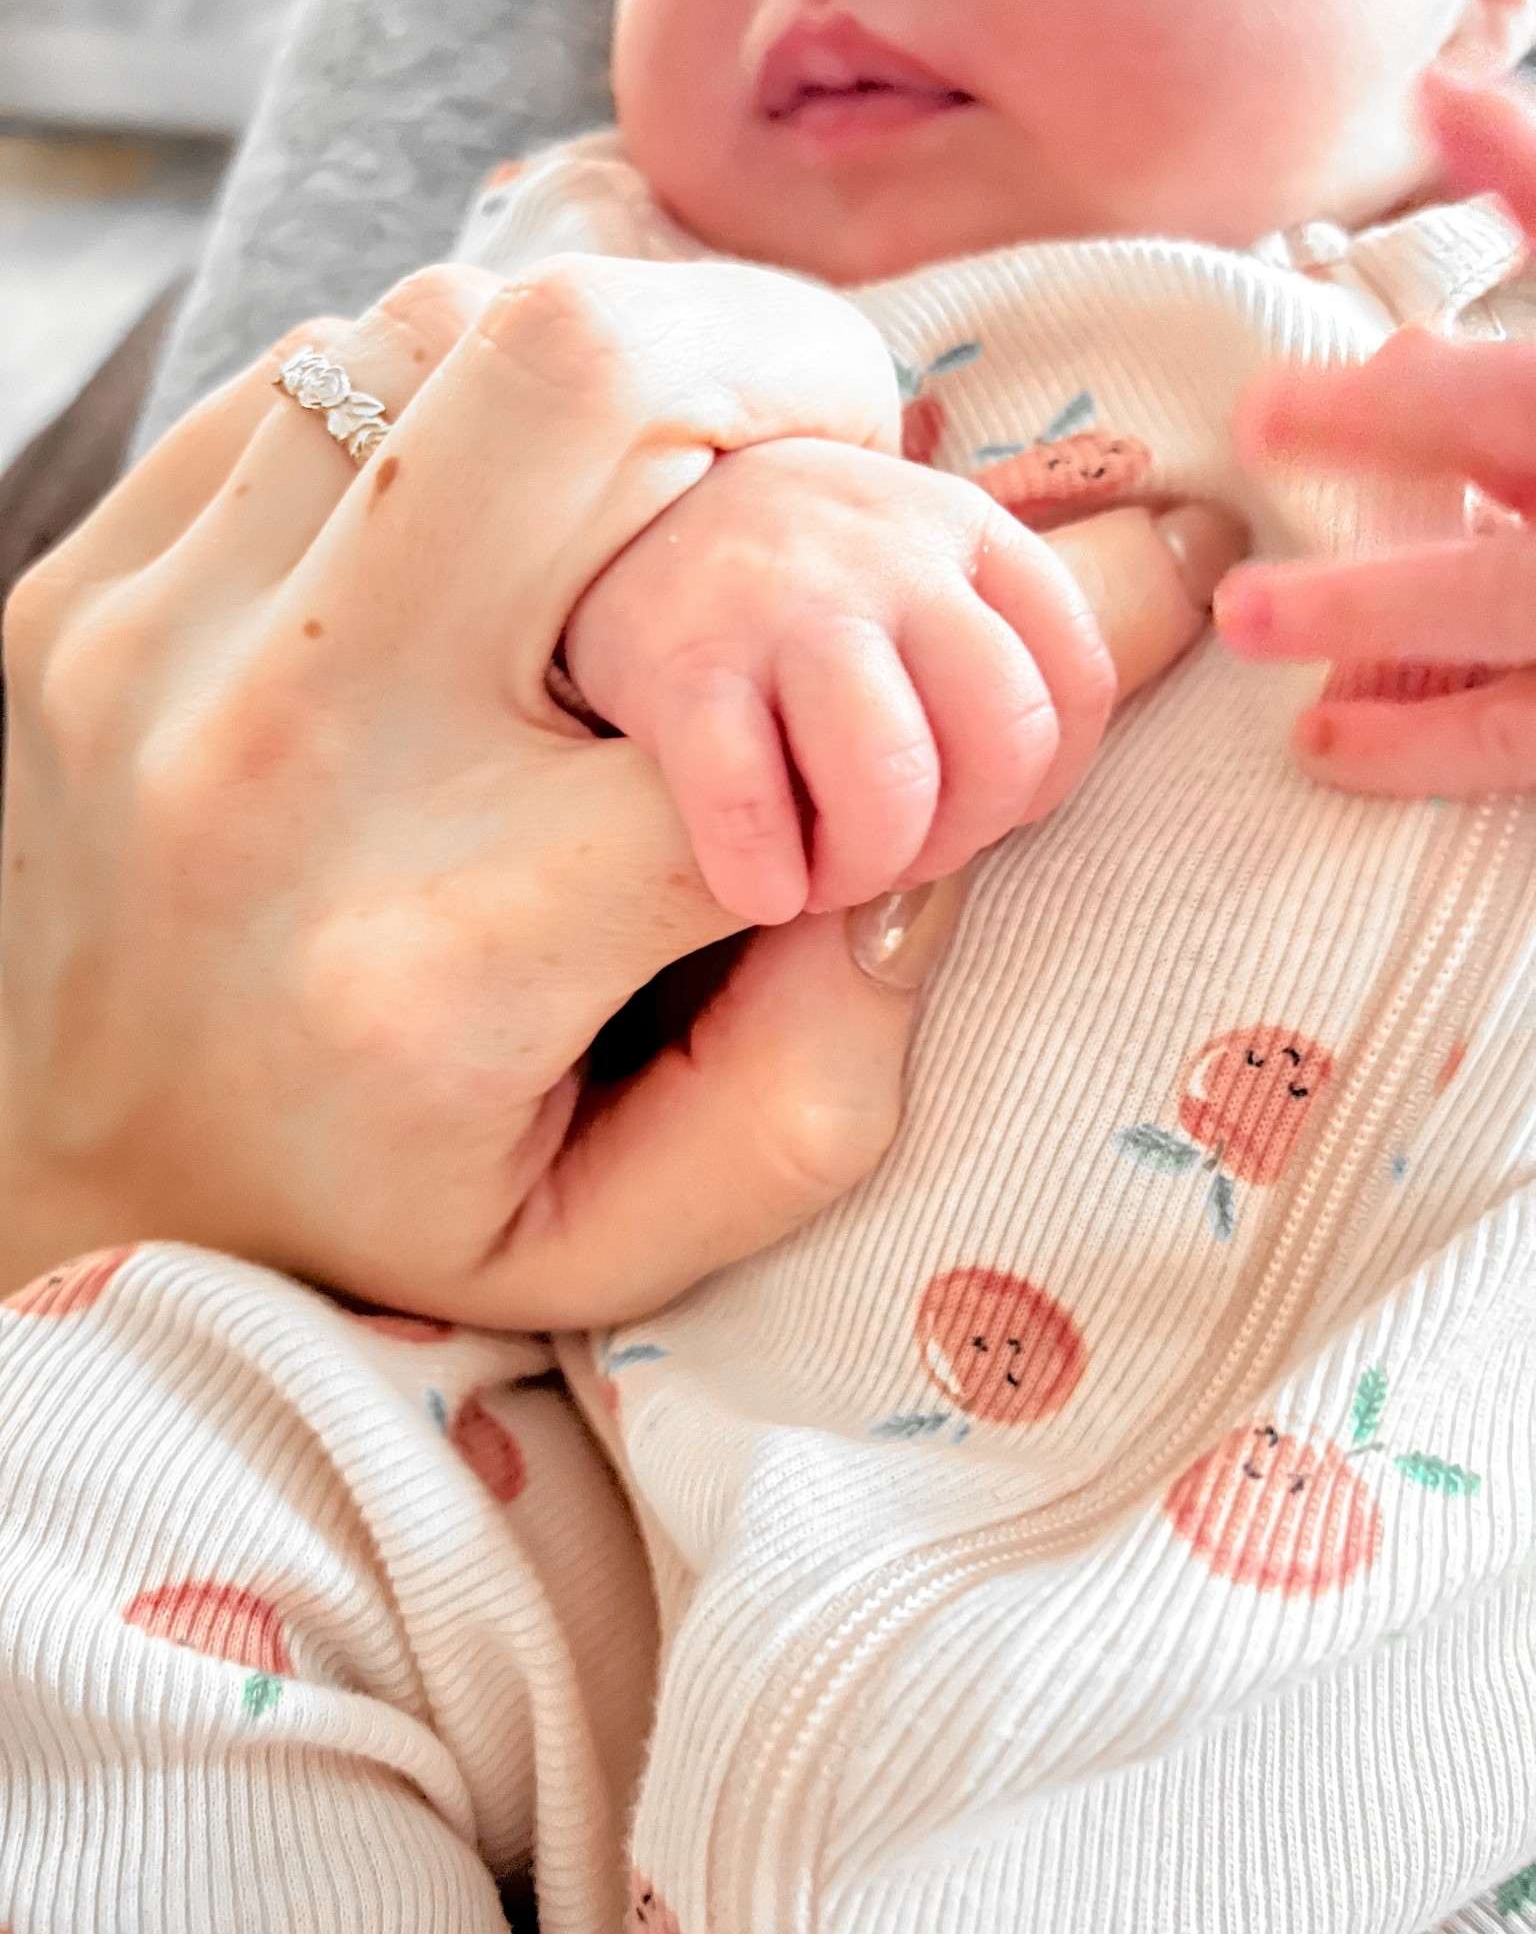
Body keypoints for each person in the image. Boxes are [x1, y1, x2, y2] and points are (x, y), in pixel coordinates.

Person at [0, 145, 1233, 1934]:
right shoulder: (608, 264)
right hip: (618, 1583)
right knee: (80, 1453)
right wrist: (660, 570)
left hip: (1338, 1702)